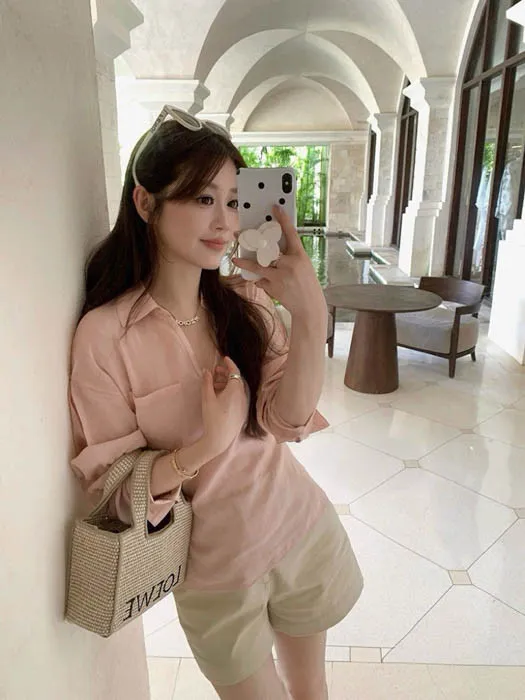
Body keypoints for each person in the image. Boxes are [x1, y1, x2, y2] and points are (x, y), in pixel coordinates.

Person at [69, 106, 363, 700]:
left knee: (312, 688)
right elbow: (112, 491)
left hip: (301, 527)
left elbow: (288, 421)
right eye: (203, 199)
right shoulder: (105, 337)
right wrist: (205, 447)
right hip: (216, 577)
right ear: (145, 203)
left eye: (233, 200)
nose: (225, 221)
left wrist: (310, 315)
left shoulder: (246, 302)